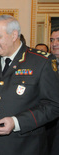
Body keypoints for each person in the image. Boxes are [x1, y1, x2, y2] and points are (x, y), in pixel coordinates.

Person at [0, 15, 59, 155]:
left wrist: (17, 122)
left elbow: (53, 105)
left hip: (25, 146)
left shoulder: (41, 61)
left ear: (14, 35)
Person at [49, 27, 59, 155]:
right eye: (52, 40)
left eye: (58, 40)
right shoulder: (43, 63)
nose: (54, 44)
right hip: (48, 123)